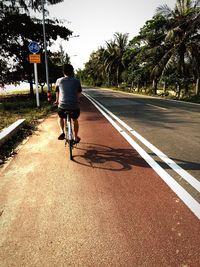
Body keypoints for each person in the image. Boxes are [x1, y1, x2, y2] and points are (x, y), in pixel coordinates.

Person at [55, 64, 82, 143]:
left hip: (62, 107)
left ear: (63, 72)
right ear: (72, 72)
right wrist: (78, 100)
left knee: (60, 117)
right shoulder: (77, 81)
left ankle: (62, 132)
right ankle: (76, 137)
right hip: (74, 107)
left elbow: (57, 92)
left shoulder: (59, 80)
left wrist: (57, 101)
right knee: (75, 120)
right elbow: (79, 93)